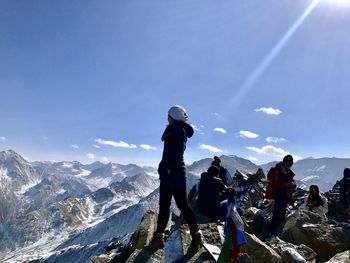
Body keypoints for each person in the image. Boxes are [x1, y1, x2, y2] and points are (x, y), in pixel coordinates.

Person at [147, 105, 202, 252]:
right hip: (174, 174)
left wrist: (169, 170)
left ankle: (161, 238)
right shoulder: (179, 129)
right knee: (179, 205)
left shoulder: (176, 131)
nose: (166, 118)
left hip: (172, 174)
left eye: (168, 116)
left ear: (173, 117)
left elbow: (176, 153)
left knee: (171, 205)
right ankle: (194, 236)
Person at [266, 154, 296, 237]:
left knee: (282, 214)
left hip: (285, 196)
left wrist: (292, 185)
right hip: (276, 195)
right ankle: (271, 231)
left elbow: (291, 183)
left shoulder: (288, 172)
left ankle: (278, 232)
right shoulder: (275, 170)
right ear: (285, 163)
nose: (290, 166)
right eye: (289, 164)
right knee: (276, 213)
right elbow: (270, 181)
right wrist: (283, 184)